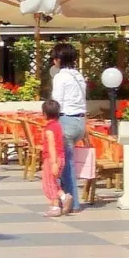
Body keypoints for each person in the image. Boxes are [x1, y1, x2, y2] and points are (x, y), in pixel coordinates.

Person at [49, 42, 86, 215]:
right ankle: (68, 198)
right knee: (67, 162)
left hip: (66, 120)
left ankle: (72, 201)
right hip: (80, 121)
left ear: (58, 59)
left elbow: (57, 102)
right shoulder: (78, 75)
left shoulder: (60, 77)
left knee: (65, 164)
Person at [39, 99, 71, 218]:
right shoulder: (58, 126)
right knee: (53, 182)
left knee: (48, 183)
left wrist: (53, 163)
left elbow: (52, 146)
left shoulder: (49, 129)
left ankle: (56, 206)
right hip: (60, 157)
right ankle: (63, 197)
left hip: (51, 159)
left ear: (45, 113)